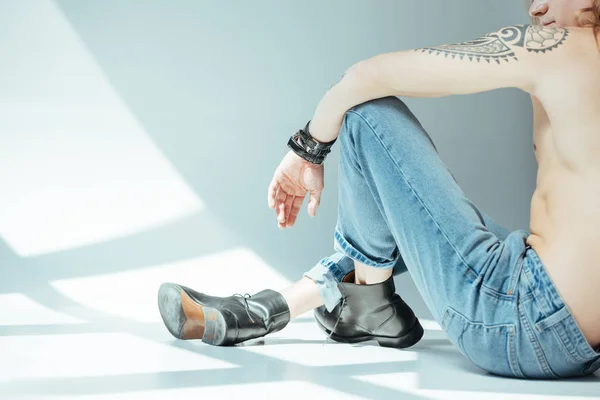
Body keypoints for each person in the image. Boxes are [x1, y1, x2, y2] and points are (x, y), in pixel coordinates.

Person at [157, 0, 600, 379]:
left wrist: (307, 149)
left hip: (514, 321)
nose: (535, 7)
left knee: (367, 112)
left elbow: (368, 76)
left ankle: (362, 307)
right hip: (584, 351)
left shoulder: (565, 48)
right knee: (432, 218)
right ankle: (303, 301)